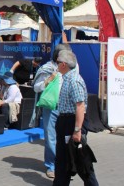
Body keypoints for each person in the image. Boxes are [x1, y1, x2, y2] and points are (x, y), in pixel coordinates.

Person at [53, 50, 98, 186]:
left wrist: (77, 130)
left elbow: (80, 106)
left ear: (64, 64)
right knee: (64, 160)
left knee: (80, 161)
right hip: (65, 121)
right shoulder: (67, 78)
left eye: (58, 62)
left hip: (72, 122)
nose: (57, 64)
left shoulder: (74, 80)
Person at [32, 43, 72, 179]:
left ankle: (64, 165)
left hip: (66, 107)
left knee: (66, 138)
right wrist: (47, 81)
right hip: (51, 108)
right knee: (50, 138)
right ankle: (51, 165)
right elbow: (36, 88)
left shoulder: (71, 68)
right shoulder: (46, 69)